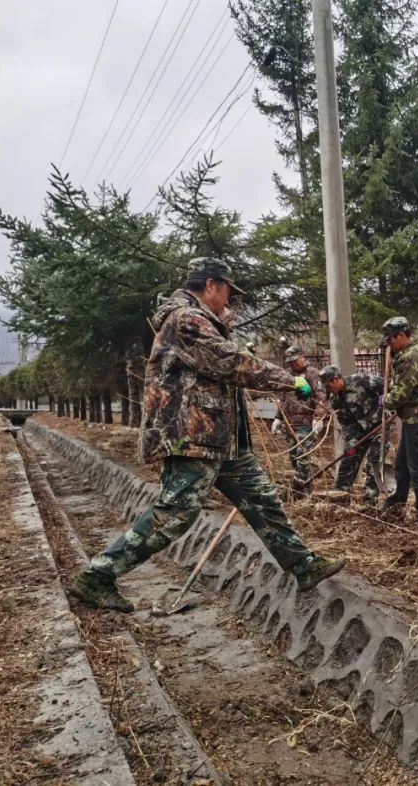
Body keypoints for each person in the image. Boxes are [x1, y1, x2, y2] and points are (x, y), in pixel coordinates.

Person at [69, 257, 345, 612]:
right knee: (176, 515)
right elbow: (231, 363)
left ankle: (303, 565)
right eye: (228, 290)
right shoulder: (187, 320)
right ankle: (98, 575)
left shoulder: (203, 321)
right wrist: (291, 381)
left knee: (263, 500)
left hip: (222, 441)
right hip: (194, 438)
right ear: (211, 284)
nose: (230, 300)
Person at [379, 316, 418, 528]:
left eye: (390, 340)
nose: (389, 345)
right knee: (402, 465)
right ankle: (397, 504)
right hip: (417, 415)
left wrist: (385, 400)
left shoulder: (410, 357)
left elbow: (400, 395)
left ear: (402, 335)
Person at [320, 365, 384, 505]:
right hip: (359, 431)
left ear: (336, 379)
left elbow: (386, 386)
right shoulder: (335, 400)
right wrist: (351, 440)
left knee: (374, 462)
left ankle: (370, 501)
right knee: (349, 457)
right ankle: (339, 495)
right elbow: (346, 423)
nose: (329, 390)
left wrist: (385, 398)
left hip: (379, 426)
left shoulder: (361, 380)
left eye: (329, 387)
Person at [271, 345, 326, 495]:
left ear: (303, 357)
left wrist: (318, 418)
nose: (292, 364)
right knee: (294, 457)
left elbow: (320, 397)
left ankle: (301, 491)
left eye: (295, 360)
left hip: (306, 424)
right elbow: (283, 399)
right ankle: (302, 487)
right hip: (289, 424)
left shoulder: (313, 374)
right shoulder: (288, 375)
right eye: (290, 361)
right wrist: (277, 418)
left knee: (303, 457)